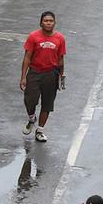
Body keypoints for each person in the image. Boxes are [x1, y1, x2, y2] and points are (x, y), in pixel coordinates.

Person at [20, 11, 67, 142]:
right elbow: (27, 57)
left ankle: (40, 130)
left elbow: (61, 58)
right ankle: (31, 118)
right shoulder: (33, 37)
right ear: (41, 23)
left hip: (51, 74)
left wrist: (61, 76)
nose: (48, 23)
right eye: (46, 21)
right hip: (34, 72)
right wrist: (23, 76)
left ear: (55, 23)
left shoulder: (60, 39)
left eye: (51, 21)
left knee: (47, 104)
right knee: (30, 99)